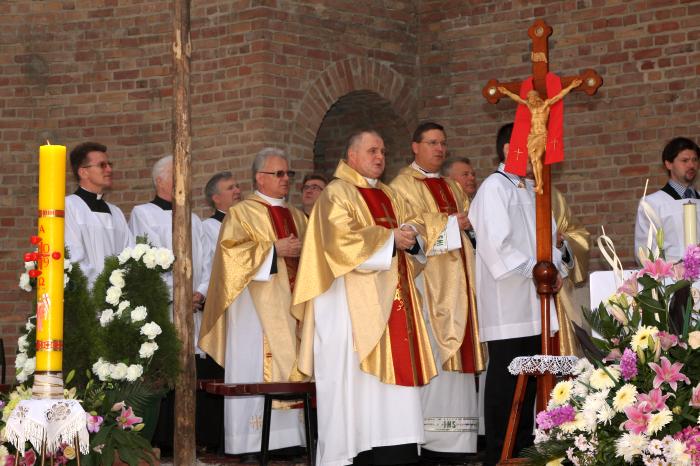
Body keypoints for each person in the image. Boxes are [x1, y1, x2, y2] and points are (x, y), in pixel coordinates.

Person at [293, 129, 439, 466]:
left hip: (395, 302)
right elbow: (339, 243)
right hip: (349, 307)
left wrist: (412, 235)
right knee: (355, 384)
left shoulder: (389, 194)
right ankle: (355, 453)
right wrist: (389, 239)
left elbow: (415, 228)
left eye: (383, 151)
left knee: (393, 389)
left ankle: (396, 450)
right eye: (372, 150)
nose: (379, 157)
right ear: (352, 156)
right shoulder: (336, 193)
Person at [468, 123, 571, 466]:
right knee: (507, 380)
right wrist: (537, 271)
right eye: (531, 147)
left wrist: (555, 269)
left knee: (531, 384)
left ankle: (526, 451)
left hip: (537, 300)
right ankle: (500, 453)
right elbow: (495, 245)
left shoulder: (534, 189)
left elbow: (550, 239)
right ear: (508, 149)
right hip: (509, 301)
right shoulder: (493, 188)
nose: (536, 154)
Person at [198, 148, 307, 457]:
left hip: (293, 306)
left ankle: (290, 440)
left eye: (288, 173)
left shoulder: (298, 216)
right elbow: (229, 257)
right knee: (257, 367)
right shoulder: (242, 213)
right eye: (279, 173)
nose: (285, 179)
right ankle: (251, 442)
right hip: (255, 311)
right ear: (260, 178)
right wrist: (273, 250)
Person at [390, 122, 485, 460]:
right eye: (432, 142)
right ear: (415, 146)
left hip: (461, 285)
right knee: (434, 359)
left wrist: (469, 226)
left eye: (443, 143)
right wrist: (449, 225)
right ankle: (431, 442)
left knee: (458, 368)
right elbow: (407, 233)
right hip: (427, 287)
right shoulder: (400, 186)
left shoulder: (451, 186)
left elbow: (470, 229)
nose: (439, 149)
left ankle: (459, 443)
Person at [128, 155, 210, 453]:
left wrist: (200, 292)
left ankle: (189, 437)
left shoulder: (195, 219)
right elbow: (146, 257)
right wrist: (177, 294)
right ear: (161, 181)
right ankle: (161, 439)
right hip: (164, 307)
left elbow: (208, 261)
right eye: (178, 175)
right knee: (163, 371)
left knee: (189, 370)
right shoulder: (143, 214)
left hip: (192, 308)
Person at [196, 171, 242, 452]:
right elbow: (208, 266)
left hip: (246, 307)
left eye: (237, 186)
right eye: (230, 188)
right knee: (218, 370)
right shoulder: (208, 228)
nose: (237, 190)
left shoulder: (247, 222)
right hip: (221, 307)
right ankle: (217, 437)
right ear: (215, 198)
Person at [65, 142, 133, 288]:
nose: (109, 169)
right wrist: (101, 288)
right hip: (87, 294)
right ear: (83, 172)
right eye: (102, 165)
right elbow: (73, 256)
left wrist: (120, 287)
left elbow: (129, 253)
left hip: (118, 295)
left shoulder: (116, 212)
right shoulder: (69, 206)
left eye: (109, 164)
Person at [498, 79, 582, 194]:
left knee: (537, 159)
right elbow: (518, 99)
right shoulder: (530, 107)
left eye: (531, 98)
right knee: (532, 159)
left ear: (536, 97)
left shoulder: (545, 105)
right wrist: (507, 92)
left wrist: (571, 86)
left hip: (541, 136)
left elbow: (558, 96)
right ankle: (534, 182)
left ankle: (539, 182)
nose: (530, 100)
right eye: (529, 98)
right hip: (532, 136)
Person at [635, 137, 700, 262]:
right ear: (668, 164)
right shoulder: (652, 203)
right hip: (672, 273)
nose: (692, 165)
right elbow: (644, 252)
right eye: (685, 160)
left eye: (695, 160)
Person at [552, 186, 591, 357]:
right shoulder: (504, 191)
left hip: (557, 288)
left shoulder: (553, 195)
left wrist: (561, 243)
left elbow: (579, 235)